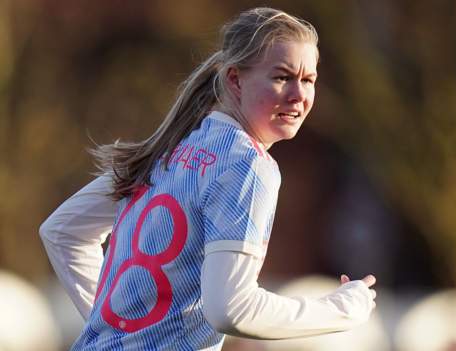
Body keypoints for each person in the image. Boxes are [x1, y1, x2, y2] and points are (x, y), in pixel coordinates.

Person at [39, 7, 377, 351]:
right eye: (281, 77)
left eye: (308, 80)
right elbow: (232, 309)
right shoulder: (247, 164)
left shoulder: (173, 143)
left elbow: (63, 232)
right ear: (234, 79)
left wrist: (122, 330)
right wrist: (341, 309)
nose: (298, 94)